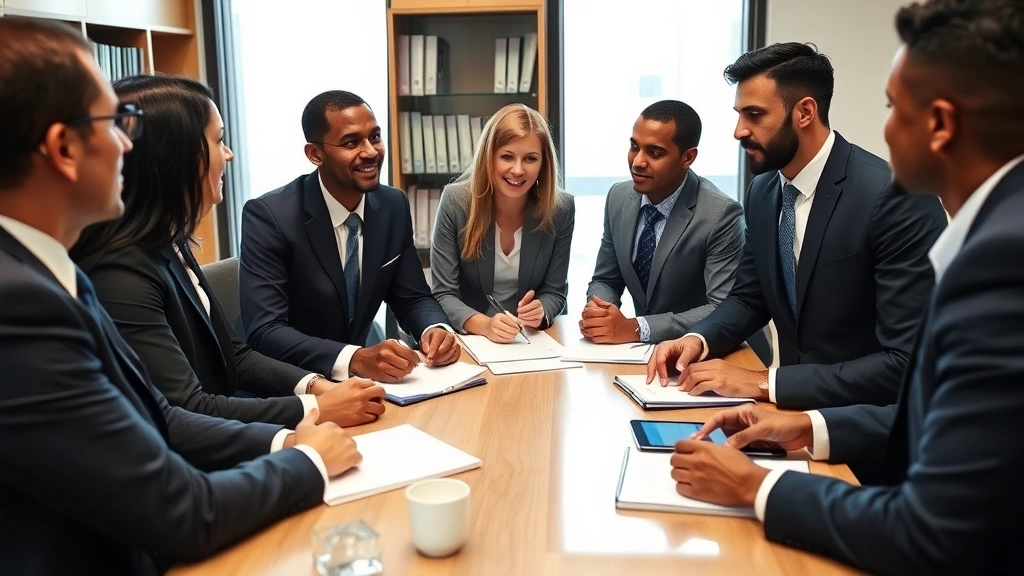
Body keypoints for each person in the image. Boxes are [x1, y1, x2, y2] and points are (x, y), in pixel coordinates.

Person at [667, 1, 1024, 573]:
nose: (738, 131)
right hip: (839, 442)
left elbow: (931, 522)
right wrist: (806, 424)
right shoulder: (762, 192)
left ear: (941, 123)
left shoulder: (993, 254)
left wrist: (757, 484)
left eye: (892, 107)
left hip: (882, 490)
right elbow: (933, 411)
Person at [0, 18, 360, 574]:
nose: (127, 142)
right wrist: (309, 458)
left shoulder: (47, 272)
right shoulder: (21, 306)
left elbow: (159, 415)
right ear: (64, 148)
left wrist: (292, 433)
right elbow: (182, 510)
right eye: (114, 123)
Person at [70, 75, 385, 429]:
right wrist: (314, 410)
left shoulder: (168, 241)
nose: (229, 154)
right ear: (175, 156)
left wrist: (317, 386)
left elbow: (235, 355)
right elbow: (185, 408)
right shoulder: (120, 271)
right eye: (218, 140)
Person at [647, 42, 948, 410]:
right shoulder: (763, 191)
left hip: (869, 435)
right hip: (787, 419)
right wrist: (698, 339)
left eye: (755, 115)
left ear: (805, 112)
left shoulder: (896, 197)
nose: (739, 131)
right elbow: (749, 298)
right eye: (739, 114)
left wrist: (764, 382)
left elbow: (905, 362)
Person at [240, 91, 460, 383]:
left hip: (360, 383)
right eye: (351, 142)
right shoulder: (270, 216)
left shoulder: (392, 205)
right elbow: (265, 331)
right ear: (315, 154)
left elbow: (412, 298)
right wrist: (354, 358)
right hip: (289, 386)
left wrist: (435, 329)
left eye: (375, 137)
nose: (370, 152)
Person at [582, 100, 747, 346]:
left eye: (655, 153)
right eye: (634, 147)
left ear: (688, 157)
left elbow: (723, 307)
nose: (637, 162)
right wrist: (599, 312)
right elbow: (606, 279)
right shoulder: (618, 198)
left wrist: (637, 328)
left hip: (717, 348)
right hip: (642, 353)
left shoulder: (721, 214)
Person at [431, 104, 574, 342]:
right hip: (472, 336)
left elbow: (555, 292)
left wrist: (541, 311)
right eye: (507, 156)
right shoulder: (456, 202)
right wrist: (486, 325)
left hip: (530, 340)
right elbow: (443, 293)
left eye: (530, 158)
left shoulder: (561, 209)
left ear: (543, 164)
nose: (518, 170)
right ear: (489, 157)